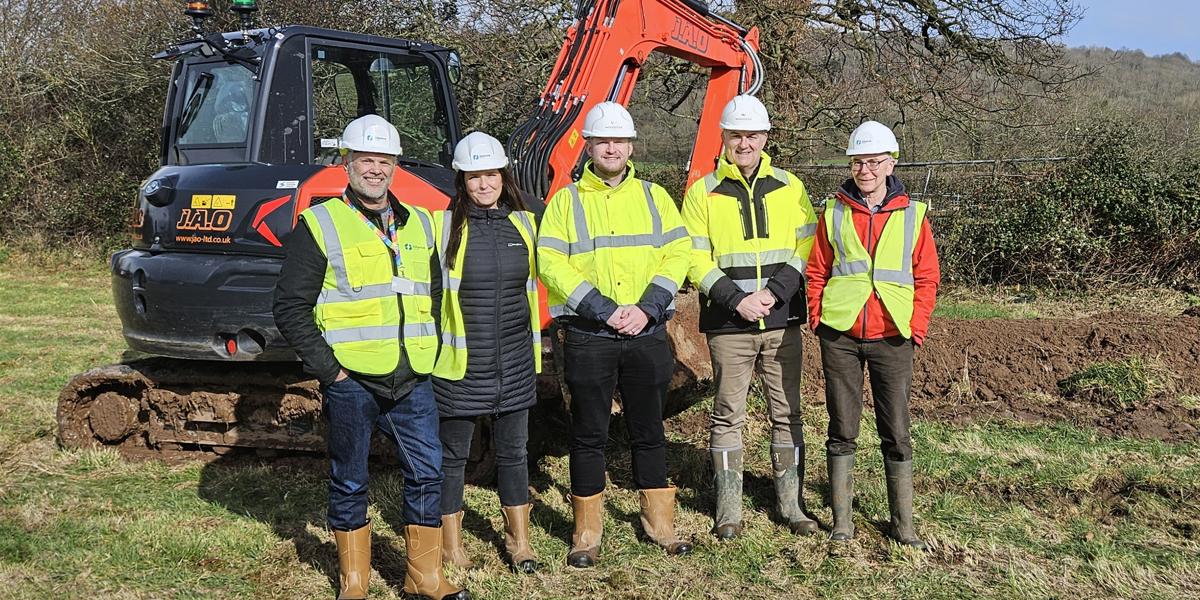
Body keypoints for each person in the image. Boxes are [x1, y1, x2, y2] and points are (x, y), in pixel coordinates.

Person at [273, 114, 469, 599]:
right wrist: (330, 371)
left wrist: (430, 348)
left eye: (384, 160)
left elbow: (437, 293)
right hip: (352, 380)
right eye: (366, 160)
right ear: (347, 164)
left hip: (412, 377)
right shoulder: (320, 224)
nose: (375, 169)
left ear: (396, 166)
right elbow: (289, 306)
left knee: (428, 471)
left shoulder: (420, 222)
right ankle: (354, 581)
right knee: (349, 476)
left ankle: (424, 577)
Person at [537, 101, 693, 567]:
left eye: (619, 141)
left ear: (630, 146)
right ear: (589, 146)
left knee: (649, 428)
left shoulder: (654, 196)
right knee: (588, 432)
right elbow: (550, 262)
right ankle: (586, 531)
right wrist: (604, 310)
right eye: (603, 141)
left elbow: (678, 252)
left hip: (645, 333)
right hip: (589, 334)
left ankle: (660, 524)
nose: (612, 148)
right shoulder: (565, 201)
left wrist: (646, 308)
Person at [680, 95, 820, 539]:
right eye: (736, 135)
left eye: (752, 135)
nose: (744, 142)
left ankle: (792, 506)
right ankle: (728, 511)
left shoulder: (790, 186)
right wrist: (735, 299)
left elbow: (807, 246)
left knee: (788, 414)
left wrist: (775, 293)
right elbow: (693, 257)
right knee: (727, 414)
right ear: (724, 137)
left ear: (765, 138)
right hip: (728, 324)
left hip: (781, 321)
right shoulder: (702, 192)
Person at [806, 120, 940, 550]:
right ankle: (842, 523)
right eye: (858, 161)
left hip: (893, 337)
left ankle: (903, 525)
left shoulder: (914, 215)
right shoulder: (834, 211)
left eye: (874, 161)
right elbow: (816, 270)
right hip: (841, 335)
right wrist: (818, 319)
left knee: (896, 431)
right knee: (842, 427)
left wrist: (915, 328)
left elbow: (927, 278)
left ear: (891, 163)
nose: (865, 169)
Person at [432, 132, 543, 574]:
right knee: (452, 458)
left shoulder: (526, 224)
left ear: (504, 176)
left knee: (515, 454)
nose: (483, 184)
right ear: (462, 180)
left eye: (491, 175)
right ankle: (450, 544)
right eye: (474, 176)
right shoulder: (441, 227)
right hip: (460, 364)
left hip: (514, 361)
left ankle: (520, 541)